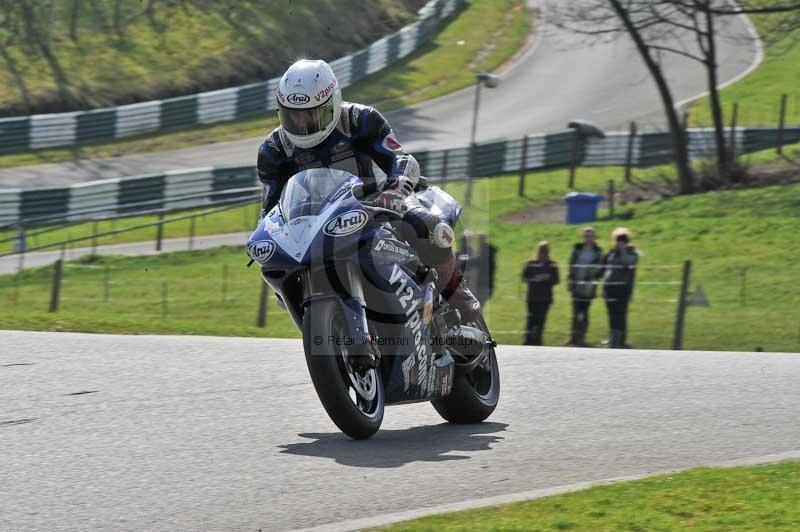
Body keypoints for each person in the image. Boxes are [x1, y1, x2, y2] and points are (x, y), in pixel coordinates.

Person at [256, 59, 479, 321]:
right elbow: (270, 207)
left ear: (332, 104)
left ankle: (456, 291)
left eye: (310, 113)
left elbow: (401, 159)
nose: (301, 122)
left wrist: (395, 192)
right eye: (292, 114)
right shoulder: (273, 150)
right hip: (317, 225)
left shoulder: (360, 120)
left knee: (428, 224)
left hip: (378, 205)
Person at [600, 227, 639, 348]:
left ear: (627, 241)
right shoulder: (611, 253)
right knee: (611, 314)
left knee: (621, 315)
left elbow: (627, 262)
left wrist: (623, 249)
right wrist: (604, 288)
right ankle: (613, 338)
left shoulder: (632, 253)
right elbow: (606, 270)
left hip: (623, 289)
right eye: (618, 240)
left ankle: (621, 340)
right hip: (610, 288)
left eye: (623, 240)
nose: (620, 242)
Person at [566, 227, 603, 347]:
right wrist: (570, 279)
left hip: (589, 287)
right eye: (586, 236)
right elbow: (571, 264)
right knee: (575, 312)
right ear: (583, 237)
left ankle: (582, 338)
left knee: (585, 312)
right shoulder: (577, 249)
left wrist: (593, 277)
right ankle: (573, 338)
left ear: (595, 238)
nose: (588, 238)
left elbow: (600, 269)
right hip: (576, 284)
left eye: (591, 236)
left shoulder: (598, 251)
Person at [521, 241, 560, 345]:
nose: (543, 253)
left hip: (545, 298)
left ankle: (538, 340)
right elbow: (524, 278)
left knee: (541, 319)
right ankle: (528, 340)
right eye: (541, 251)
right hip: (532, 297)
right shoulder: (530, 263)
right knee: (531, 318)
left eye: (545, 251)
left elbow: (556, 280)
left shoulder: (552, 264)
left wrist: (547, 278)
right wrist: (535, 278)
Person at [474, 233, 497, 307]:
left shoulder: (484, 253)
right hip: (486, 285)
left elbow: (478, 263)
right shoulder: (486, 252)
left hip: (483, 286)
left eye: (478, 240)